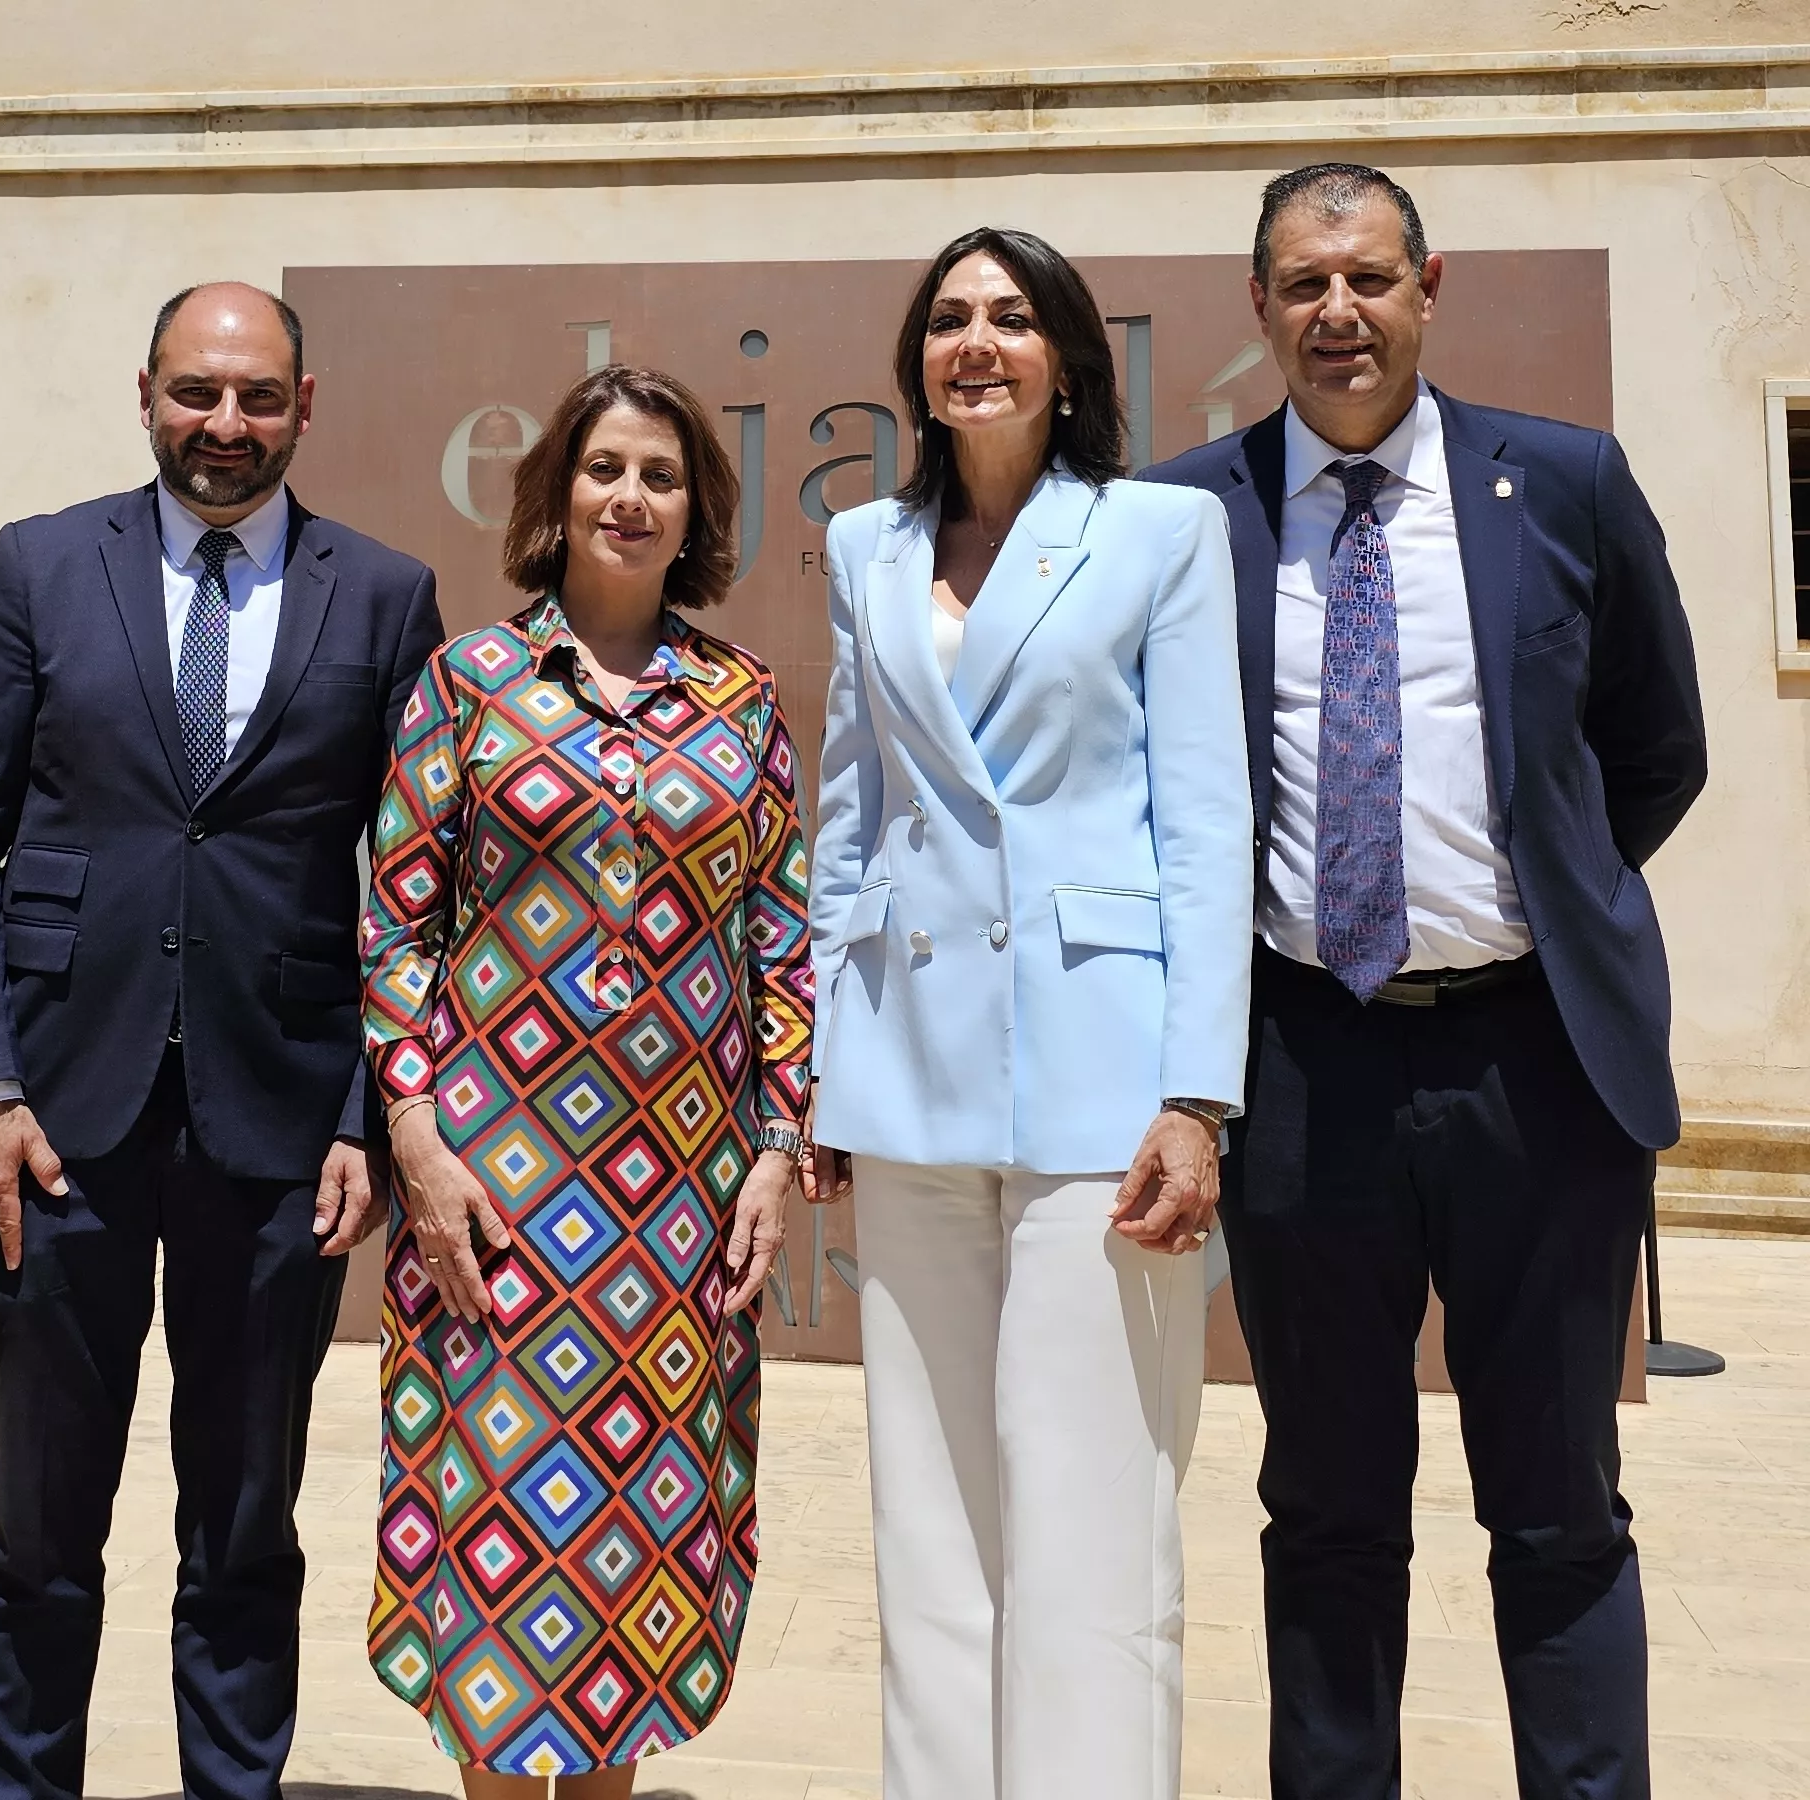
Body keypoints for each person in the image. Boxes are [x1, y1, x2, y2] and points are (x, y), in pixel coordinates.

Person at [1142, 163, 1707, 1800]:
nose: (1339, 314)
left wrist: (1543, 905)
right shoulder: (1194, 514)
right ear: (1256, 305)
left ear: (1427, 286)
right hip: (1307, 1067)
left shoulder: (1568, 484)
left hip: (1539, 1065)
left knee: (1559, 1506)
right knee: (1325, 1507)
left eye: (1370, 280)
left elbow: (1652, 753)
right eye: (1304, 285)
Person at [0, 281, 445, 1800]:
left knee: (240, 1525)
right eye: (197, 393)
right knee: (37, 1526)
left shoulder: (387, 594)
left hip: (282, 1127)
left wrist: (367, 1108)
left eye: (259, 398)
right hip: (50, 1123)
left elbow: (417, 878)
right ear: (144, 392)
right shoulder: (39, 566)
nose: (225, 426)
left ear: (306, 406)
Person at [808, 227, 1251, 1800]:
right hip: (908, 1077)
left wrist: (1199, 1098)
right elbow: (847, 824)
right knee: (928, 1521)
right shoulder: (867, 546)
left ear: (1068, 355)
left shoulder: (1157, 534)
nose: (973, 343)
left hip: (1101, 1085)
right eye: (945, 320)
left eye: (1007, 316)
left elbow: (1201, 826)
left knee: (1091, 1517)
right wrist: (819, 1068)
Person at [361, 363, 814, 1796]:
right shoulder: (471, 686)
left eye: (661, 478)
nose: (630, 497)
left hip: (674, 1216)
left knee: (632, 1558)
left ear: (697, 515)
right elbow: (394, 920)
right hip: (492, 1201)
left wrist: (779, 1145)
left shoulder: (743, 703)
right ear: (558, 495)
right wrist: (419, 1140)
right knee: (503, 1550)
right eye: (605, 469)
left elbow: (783, 937)